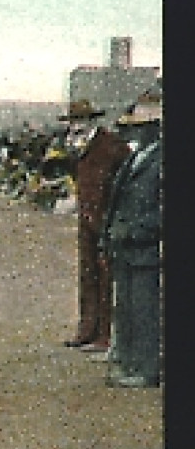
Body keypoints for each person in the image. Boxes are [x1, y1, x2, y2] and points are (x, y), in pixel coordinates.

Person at [101, 97, 162, 388]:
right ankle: (128, 361)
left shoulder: (163, 159)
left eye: (140, 127)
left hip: (146, 246)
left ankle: (146, 368)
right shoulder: (135, 157)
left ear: (155, 127)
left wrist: (136, 230)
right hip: (125, 245)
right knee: (125, 307)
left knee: (144, 310)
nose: (134, 133)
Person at [61, 101, 131, 351]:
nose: (75, 125)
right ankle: (86, 329)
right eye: (72, 120)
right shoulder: (78, 146)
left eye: (80, 119)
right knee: (88, 275)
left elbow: (125, 184)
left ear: (92, 120)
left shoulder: (112, 146)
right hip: (86, 219)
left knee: (106, 277)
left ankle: (105, 335)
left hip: (106, 219)